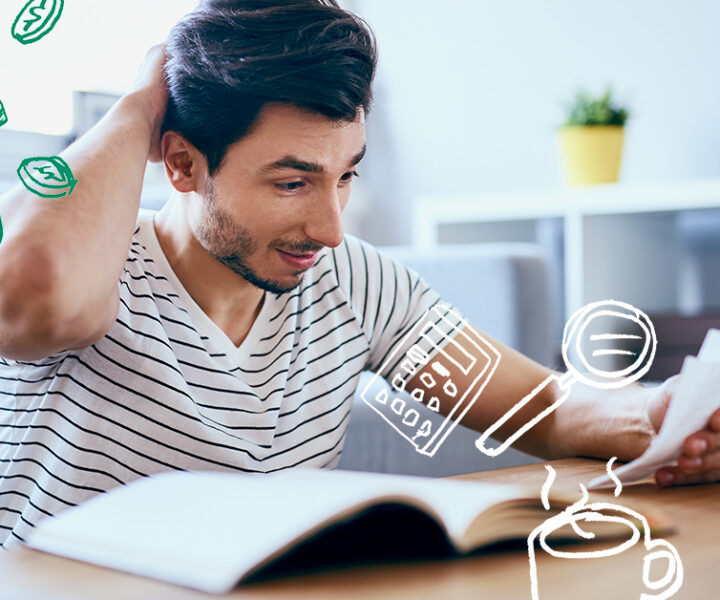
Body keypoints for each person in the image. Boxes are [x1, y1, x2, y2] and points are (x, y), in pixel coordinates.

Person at [0, 0, 718, 551]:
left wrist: (664, 420)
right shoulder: (91, 268)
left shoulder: (356, 284)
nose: (331, 228)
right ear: (182, 163)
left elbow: (539, 408)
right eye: (292, 183)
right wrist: (139, 103)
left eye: (345, 175)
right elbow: (32, 298)